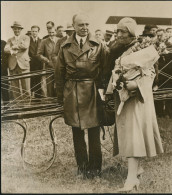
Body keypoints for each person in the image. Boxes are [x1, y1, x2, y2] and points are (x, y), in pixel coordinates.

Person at [106, 17, 164, 192]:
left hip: (137, 99)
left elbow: (152, 73)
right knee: (130, 136)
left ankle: (131, 180)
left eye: (122, 31)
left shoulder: (144, 47)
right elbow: (115, 70)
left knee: (134, 136)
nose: (118, 35)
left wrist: (135, 85)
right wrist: (114, 85)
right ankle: (137, 169)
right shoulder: (118, 50)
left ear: (131, 33)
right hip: (123, 97)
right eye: (117, 31)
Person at [55, 13, 108, 179]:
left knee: (94, 131)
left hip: (92, 90)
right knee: (76, 131)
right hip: (72, 91)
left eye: (87, 24)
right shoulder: (64, 47)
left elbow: (105, 71)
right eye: (81, 25)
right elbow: (59, 73)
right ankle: (82, 167)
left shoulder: (99, 45)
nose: (84, 28)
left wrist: (103, 92)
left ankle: (96, 168)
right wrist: (60, 97)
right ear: (73, 26)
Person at [4, 21, 31, 101]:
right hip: (12, 65)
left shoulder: (26, 37)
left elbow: (25, 46)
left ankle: (27, 108)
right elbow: (5, 49)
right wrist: (12, 51)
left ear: (21, 29)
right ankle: (18, 108)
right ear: (13, 29)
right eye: (15, 29)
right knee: (15, 89)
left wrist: (14, 46)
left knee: (26, 89)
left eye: (18, 29)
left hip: (23, 65)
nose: (16, 30)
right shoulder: (9, 39)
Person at [37, 26, 59, 97]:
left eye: (53, 32)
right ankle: (51, 103)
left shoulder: (60, 40)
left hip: (59, 67)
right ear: (48, 32)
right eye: (50, 32)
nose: (51, 34)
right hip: (49, 67)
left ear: (55, 32)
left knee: (59, 86)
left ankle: (60, 103)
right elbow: (39, 54)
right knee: (50, 87)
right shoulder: (44, 41)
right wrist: (46, 60)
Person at [29, 25, 43, 98]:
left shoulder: (41, 41)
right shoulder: (28, 40)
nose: (34, 33)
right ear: (31, 31)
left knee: (38, 82)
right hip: (30, 64)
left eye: (36, 31)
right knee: (30, 82)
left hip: (39, 65)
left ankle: (38, 99)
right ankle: (30, 98)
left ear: (38, 32)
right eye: (33, 31)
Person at [1, 40, 10, 105]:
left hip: (3, 70)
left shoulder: (3, 43)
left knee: (5, 89)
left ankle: (7, 107)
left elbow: (7, 56)